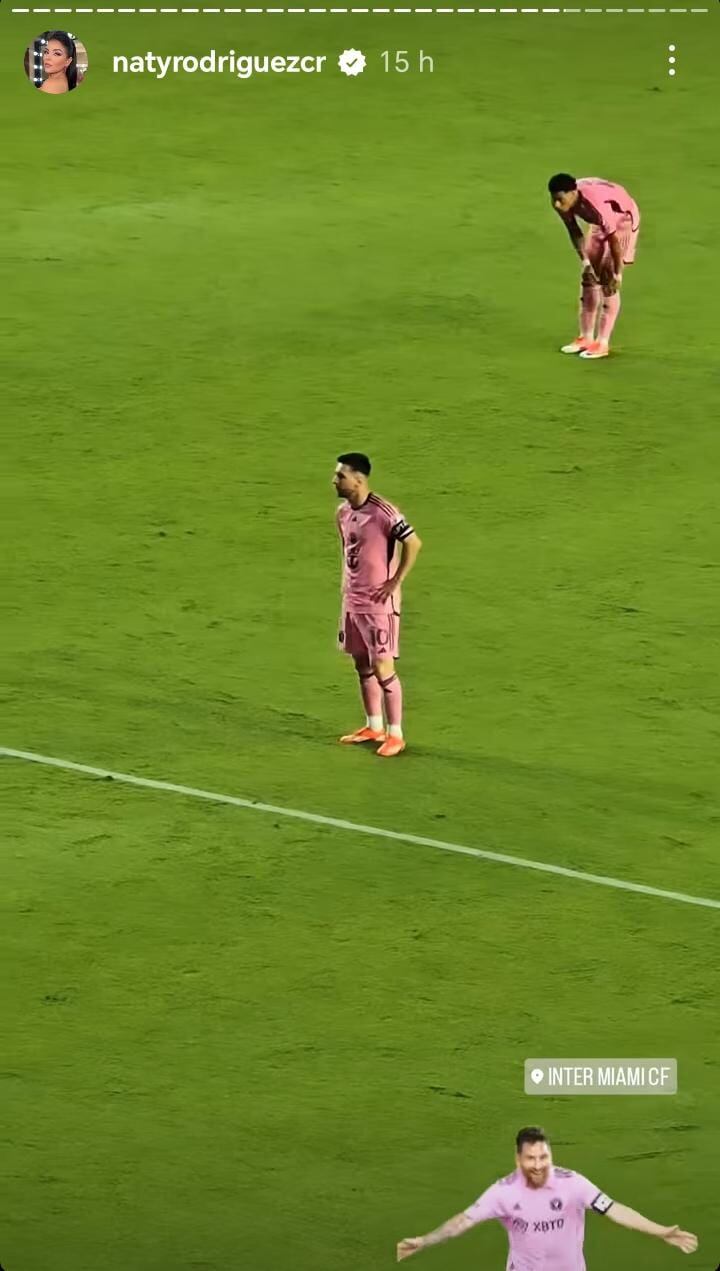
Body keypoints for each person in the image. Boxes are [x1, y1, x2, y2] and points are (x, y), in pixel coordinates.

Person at [397, 1125, 698, 1266]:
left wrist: (661, 1232)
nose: (539, 1165)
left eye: (544, 1157)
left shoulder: (573, 1183)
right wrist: (426, 1240)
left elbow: (614, 1209)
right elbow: (463, 1221)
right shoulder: (503, 1192)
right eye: (531, 1159)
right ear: (518, 1159)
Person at [334, 453, 422, 757]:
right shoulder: (343, 513)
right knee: (361, 663)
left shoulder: (383, 512)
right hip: (353, 601)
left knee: (384, 666)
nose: (335, 481)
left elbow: (413, 542)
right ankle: (373, 725)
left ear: (358, 479)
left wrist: (395, 580)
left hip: (378, 605)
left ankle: (395, 733)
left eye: (340, 476)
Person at [548, 173, 641, 360]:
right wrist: (586, 263)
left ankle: (603, 342)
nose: (557, 204)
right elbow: (574, 231)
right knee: (588, 278)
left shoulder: (597, 206)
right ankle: (586, 337)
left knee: (607, 280)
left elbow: (614, 241)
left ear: (573, 193)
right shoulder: (563, 201)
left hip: (623, 221)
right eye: (554, 199)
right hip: (601, 224)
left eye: (560, 199)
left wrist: (618, 274)